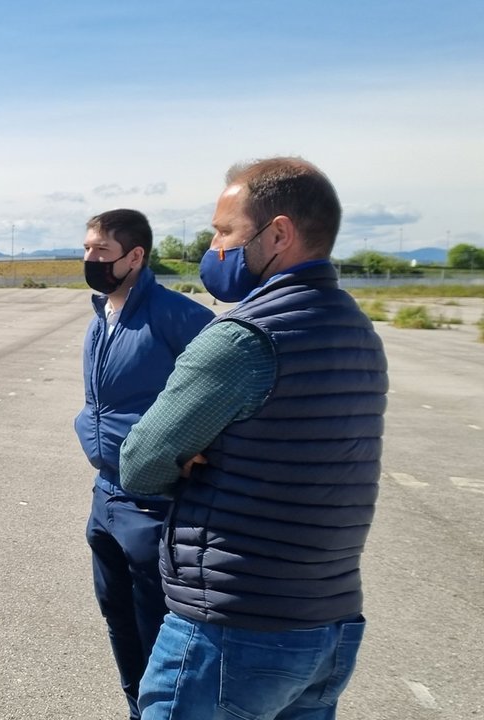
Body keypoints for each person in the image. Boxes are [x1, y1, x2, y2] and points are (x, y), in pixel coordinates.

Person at [120, 157, 388, 720]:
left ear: (279, 233)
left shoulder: (243, 337)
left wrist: (187, 460)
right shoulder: (356, 329)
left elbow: (141, 463)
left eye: (225, 232)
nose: (215, 248)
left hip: (232, 631)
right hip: (328, 626)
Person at [73, 209, 213, 719]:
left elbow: (230, 386)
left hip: (154, 503)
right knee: (119, 621)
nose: (91, 259)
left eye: (102, 251)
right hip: (106, 495)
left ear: (136, 256)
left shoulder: (177, 315)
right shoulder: (101, 316)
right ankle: (137, 708)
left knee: (158, 629)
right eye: (87, 249)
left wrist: (203, 447)